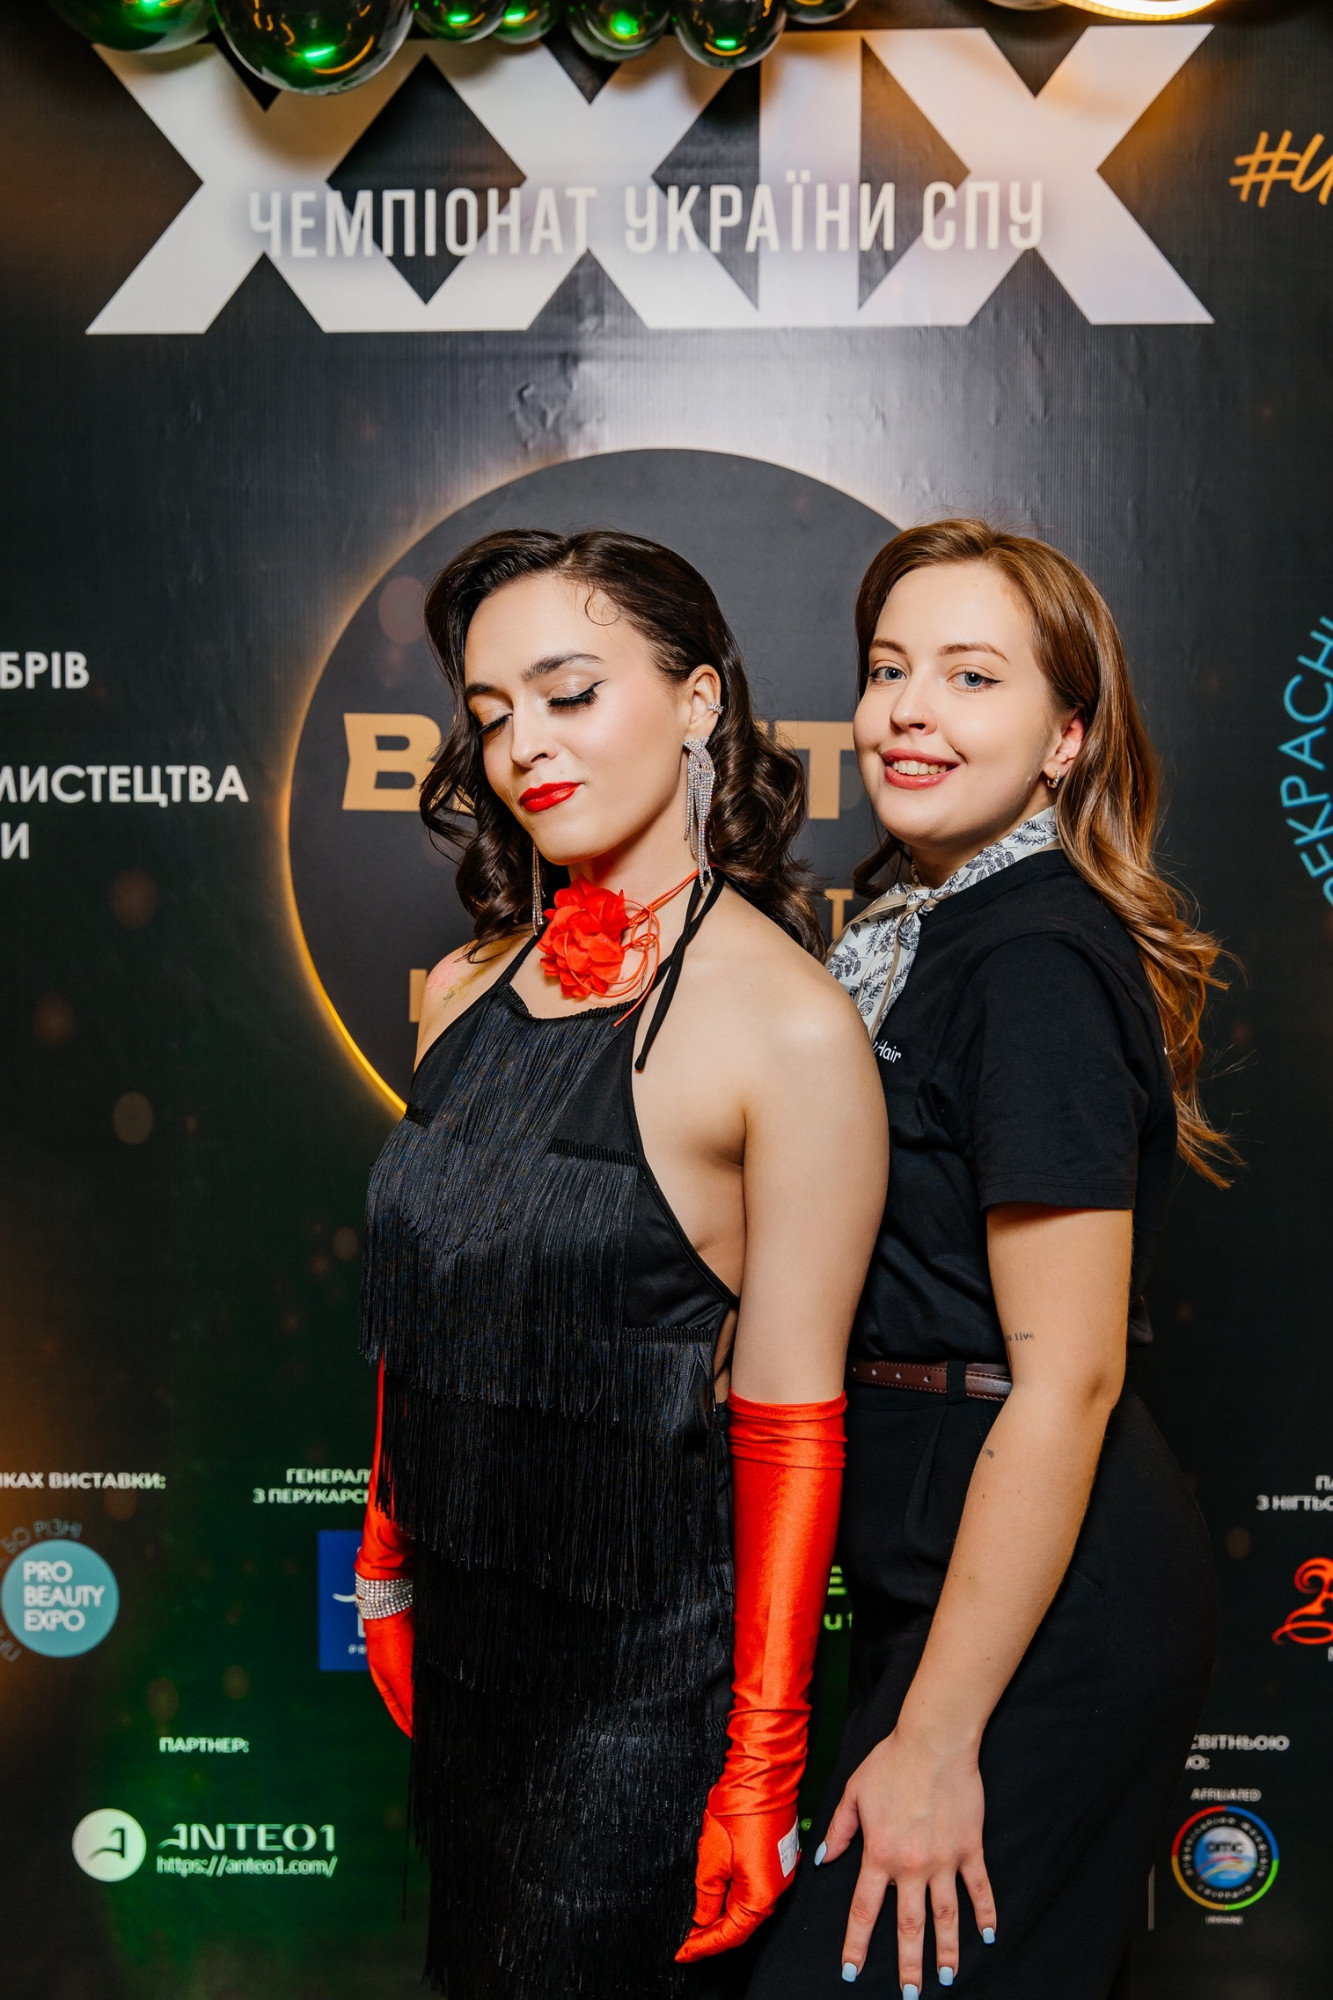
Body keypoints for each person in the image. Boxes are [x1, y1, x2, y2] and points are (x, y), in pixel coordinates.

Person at [351, 529, 887, 2000]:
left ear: (700, 700)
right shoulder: (463, 987)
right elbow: (423, 1310)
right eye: (491, 713)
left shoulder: (790, 1028)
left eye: (569, 692)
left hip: (645, 1685)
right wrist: (387, 1564)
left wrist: (761, 1760)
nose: (523, 744)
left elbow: (789, 1421)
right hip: (467, 1640)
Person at [749, 521, 1225, 2000]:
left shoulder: (1031, 961)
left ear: (1065, 738)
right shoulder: (912, 929)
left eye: (970, 677)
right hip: (941, 1567)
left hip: (1046, 1604)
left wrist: (940, 1734)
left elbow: (1067, 1378)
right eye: (888, 669)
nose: (907, 711)